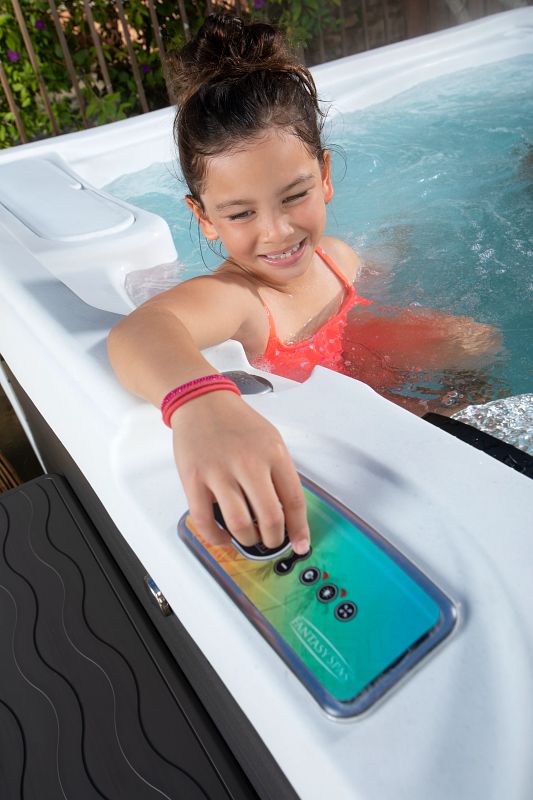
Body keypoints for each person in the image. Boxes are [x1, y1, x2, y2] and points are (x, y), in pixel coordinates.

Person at [107, 13, 500, 556]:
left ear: (327, 176)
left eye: (294, 196)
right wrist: (203, 406)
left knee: (477, 343)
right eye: (240, 213)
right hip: (335, 442)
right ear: (203, 218)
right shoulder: (240, 298)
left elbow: (372, 302)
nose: (278, 231)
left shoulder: (338, 259)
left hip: (367, 384)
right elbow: (141, 330)